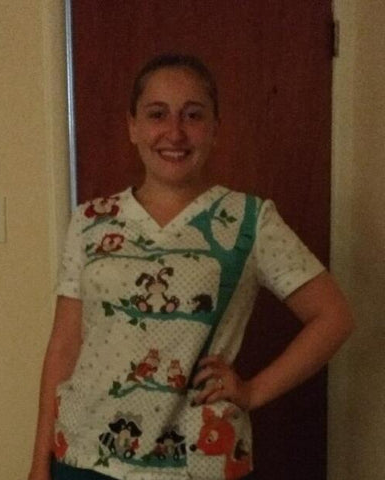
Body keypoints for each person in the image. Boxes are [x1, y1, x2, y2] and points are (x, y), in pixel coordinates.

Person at [28, 54, 354, 480]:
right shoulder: (90, 221)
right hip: (84, 457)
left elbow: (334, 317)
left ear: (216, 128)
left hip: (198, 462)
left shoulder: (250, 221)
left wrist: (253, 391)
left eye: (193, 115)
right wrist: (39, 462)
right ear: (132, 126)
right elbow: (64, 346)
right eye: (157, 114)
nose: (175, 132)